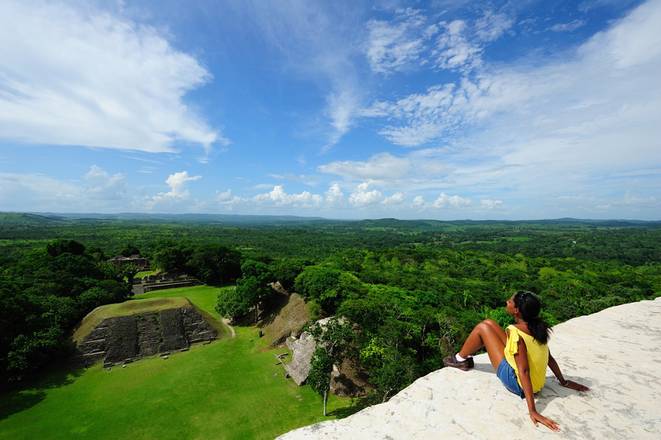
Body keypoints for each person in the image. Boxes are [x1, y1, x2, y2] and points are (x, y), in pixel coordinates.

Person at [443, 290, 589, 431]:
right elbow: (549, 358)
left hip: (517, 383)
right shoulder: (539, 327)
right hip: (536, 382)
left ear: (516, 311)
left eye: (510, 301)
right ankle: (463, 358)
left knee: (482, 328)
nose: (507, 301)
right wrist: (563, 381)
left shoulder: (515, 331)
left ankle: (460, 359)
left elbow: (523, 370)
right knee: (489, 323)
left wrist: (533, 411)